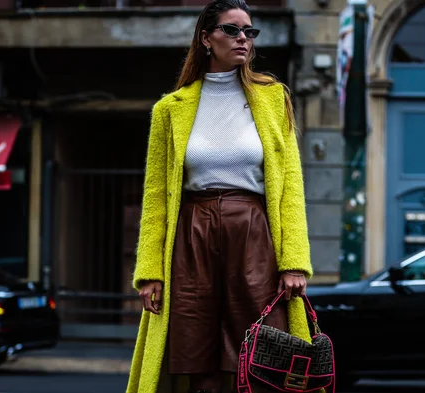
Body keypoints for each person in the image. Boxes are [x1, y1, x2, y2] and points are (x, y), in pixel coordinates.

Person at [126, 1, 314, 392]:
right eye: (232, 30)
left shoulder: (272, 98)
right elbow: (157, 195)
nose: (243, 38)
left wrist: (294, 261)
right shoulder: (170, 110)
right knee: (195, 345)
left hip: (253, 230)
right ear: (206, 38)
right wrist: (149, 272)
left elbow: (290, 185)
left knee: (264, 343)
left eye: (249, 31)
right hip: (191, 233)